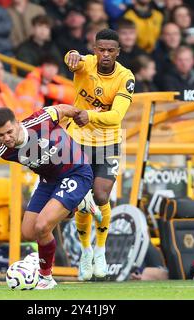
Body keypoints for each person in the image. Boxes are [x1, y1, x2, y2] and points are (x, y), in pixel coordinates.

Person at [0, 105, 94, 289]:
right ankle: (77, 205)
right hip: (49, 181)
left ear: (17, 123)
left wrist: (84, 115)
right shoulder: (5, 152)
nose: (6, 138)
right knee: (29, 232)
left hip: (76, 172)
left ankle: (46, 278)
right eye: (0, 135)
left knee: (42, 226)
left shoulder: (40, 121)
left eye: (9, 132)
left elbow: (62, 109)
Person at [64, 28, 135, 280]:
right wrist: (70, 55)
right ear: (95, 49)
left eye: (110, 50)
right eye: (100, 49)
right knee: (82, 200)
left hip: (108, 142)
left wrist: (89, 115)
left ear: (118, 52)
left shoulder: (126, 77)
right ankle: (85, 252)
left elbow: (116, 116)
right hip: (78, 141)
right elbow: (73, 59)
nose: (105, 54)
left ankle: (101, 250)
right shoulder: (86, 64)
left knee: (102, 195)